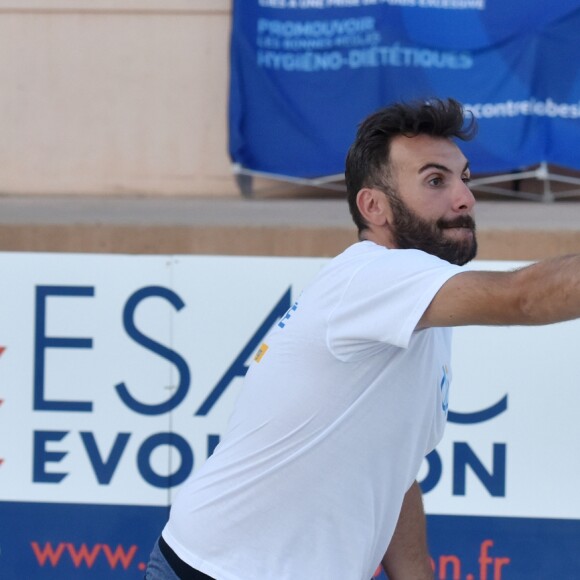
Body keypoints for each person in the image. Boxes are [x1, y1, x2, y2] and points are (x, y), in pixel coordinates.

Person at [146, 98, 580, 580]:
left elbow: (394, 469)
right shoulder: (375, 275)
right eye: (436, 180)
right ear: (373, 206)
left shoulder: (420, 302)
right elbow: (524, 298)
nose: (464, 198)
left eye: (465, 179)